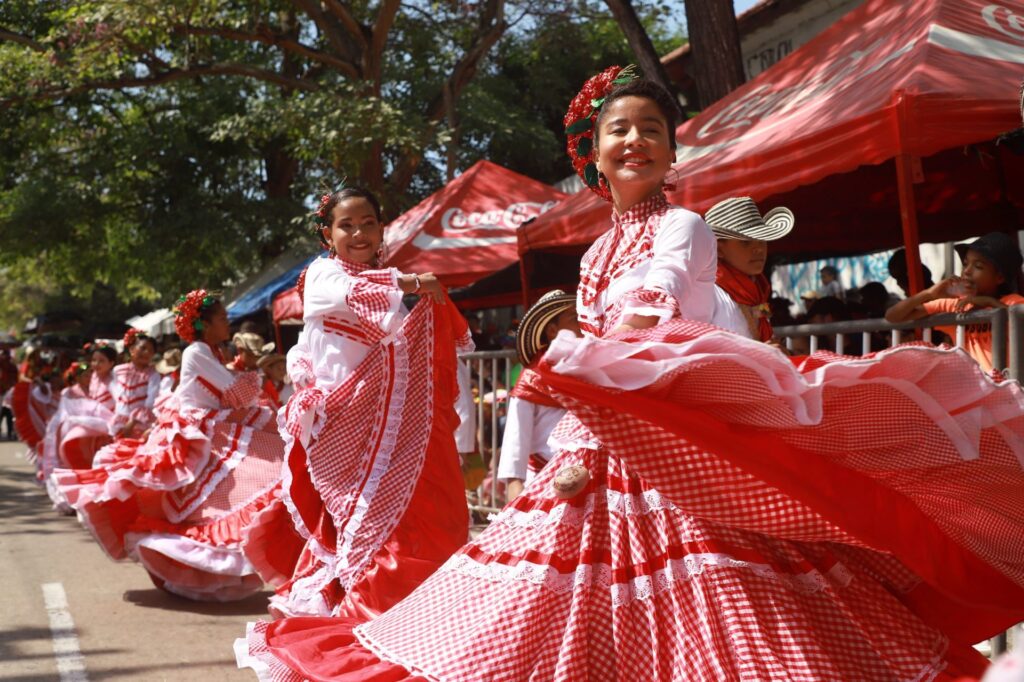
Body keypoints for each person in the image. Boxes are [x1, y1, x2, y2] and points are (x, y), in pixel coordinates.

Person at [236, 67, 1024, 682]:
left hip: (669, 436)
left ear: (672, 153)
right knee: (548, 602)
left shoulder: (685, 226)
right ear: (595, 155)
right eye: (620, 130)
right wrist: (547, 423)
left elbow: (650, 313)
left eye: (652, 129)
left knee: (715, 597)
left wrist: (575, 353)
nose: (636, 141)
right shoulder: (592, 252)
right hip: (601, 437)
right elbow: (572, 349)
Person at [238, 186, 472, 620]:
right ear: (328, 235)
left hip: (390, 429)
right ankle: (359, 615)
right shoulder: (324, 274)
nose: (359, 233)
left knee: (409, 520)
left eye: (368, 223)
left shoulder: (392, 290)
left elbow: (407, 352)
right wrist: (415, 283)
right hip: (342, 425)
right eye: (347, 225)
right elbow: (352, 292)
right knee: (362, 524)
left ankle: (402, 611)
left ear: (383, 229)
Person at [52, 292, 285, 601]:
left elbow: (232, 395)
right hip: (196, 434)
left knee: (216, 503)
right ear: (203, 324)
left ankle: (203, 572)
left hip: (210, 430)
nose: (227, 323)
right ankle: (186, 564)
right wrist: (257, 375)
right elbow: (236, 393)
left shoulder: (211, 351)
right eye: (222, 319)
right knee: (224, 497)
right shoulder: (198, 351)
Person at [885, 232, 1024, 373]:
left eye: (978, 266)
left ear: (999, 277)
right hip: (971, 390)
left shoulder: (1013, 302)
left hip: (1009, 389)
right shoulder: (955, 304)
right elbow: (893, 316)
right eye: (965, 264)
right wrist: (929, 293)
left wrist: (988, 302)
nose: (967, 271)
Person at [497, 289, 580, 501]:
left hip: (585, 475)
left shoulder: (591, 372)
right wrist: (515, 483)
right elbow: (516, 436)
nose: (583, 324)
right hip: (544, 480)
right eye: (574, 319)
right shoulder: (532, 379)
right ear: (553, 331)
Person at [704, 196, 794, 342]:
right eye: (746, 242)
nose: (759, 249)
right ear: (719, 249)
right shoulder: (708, 293)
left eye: (762, 240)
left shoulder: (758, 292)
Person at [109, 329, 161, 439]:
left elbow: (150, 403)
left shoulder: (153, 375)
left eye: (151, 351)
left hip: (140, 424)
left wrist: (133, 421)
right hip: (119, 422)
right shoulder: (118, 370)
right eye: (143, 348)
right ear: (132, 349)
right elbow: (116, 394)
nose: (146, 352)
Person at [88, 343, 117, 411]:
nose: (96, 364)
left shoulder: (115, 379)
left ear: (111, 363)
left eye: (101, 361)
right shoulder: (92, 376)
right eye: (94, 360)